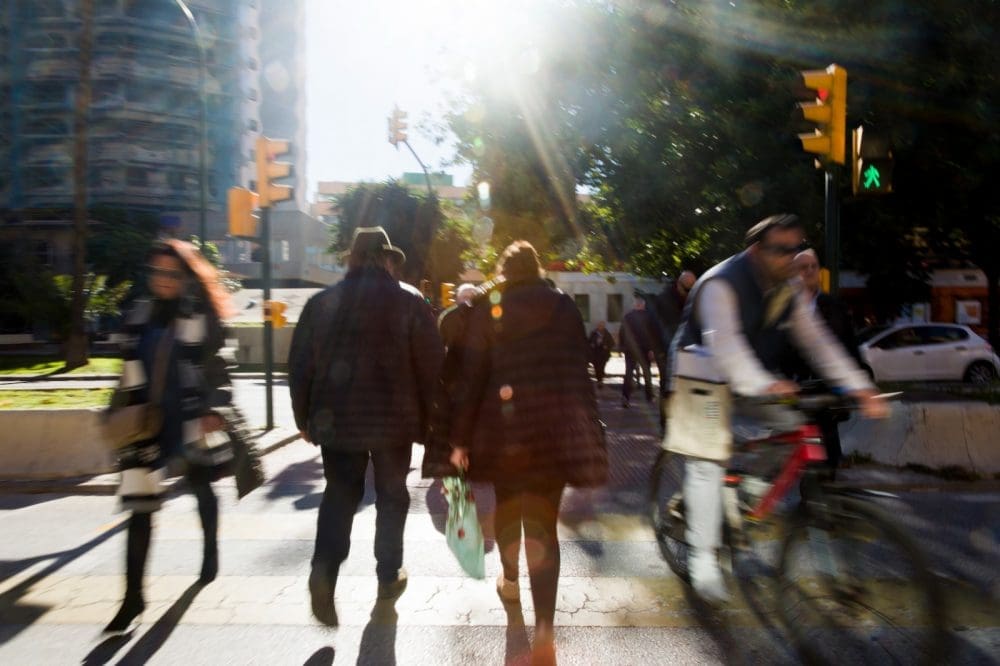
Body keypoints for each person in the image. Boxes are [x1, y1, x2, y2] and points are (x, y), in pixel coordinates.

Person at [669, 214, 888, 604]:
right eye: (781, 250)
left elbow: (817, 341)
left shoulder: (788, 288)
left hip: (749, 371)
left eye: (796, 247)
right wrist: (767, 384)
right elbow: (727, 348)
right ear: (756, 250)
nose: (791, 257)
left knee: (795, 426)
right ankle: (702, 559)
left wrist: (860, 387)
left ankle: (745, 494)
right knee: (706, 461)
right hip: (700, 369)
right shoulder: (723, 283)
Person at [448, 241, 607, 665]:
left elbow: (472, 377)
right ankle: (545, 634)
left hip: (503, 433)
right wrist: (587, 428)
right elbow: (580, 371)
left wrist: (460, 439)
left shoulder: (488, 305)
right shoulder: (564, 307)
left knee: (507, 509)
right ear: (537, 269)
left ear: (504, 270)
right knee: (544, 530)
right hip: (553, 434)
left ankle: (511, 579)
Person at [288, 226, 444, 627]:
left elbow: (300, 365)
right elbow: (431, 368)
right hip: (395, 422)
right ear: (387, 259)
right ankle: (388, 576)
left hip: (336, 422)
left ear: (352, 259)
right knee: (393, 496)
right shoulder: (410, 302)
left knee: (340, 495)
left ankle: (324, 570)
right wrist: (432, 424)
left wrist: (302, 418)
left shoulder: (322, 302)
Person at [104, 239, 236, 634]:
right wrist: (121, 413)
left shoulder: (201, 314)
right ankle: (132, 598)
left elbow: (220, 366)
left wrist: (217, 406)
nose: (163, 280)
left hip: (191, 418)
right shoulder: (138, 314)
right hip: (146, 424)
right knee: (139, 509)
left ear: (185, 276)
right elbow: (125, 369)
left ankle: (210, 550)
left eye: (171, 273)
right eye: (157, 272)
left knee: (201, 488)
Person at [785, 249, 863, 474]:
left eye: (813, 266)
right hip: (797, 386)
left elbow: (849, 344)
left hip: (827, 387)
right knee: (802, 448)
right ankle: (810, 494)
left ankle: (825, 489)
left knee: (828, 443)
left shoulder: (834, 305)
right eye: (803, 267)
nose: (809, 271)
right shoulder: (786, 307)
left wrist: (860, 379)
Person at [649, 270, 697, 430]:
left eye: (693, 289)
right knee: (667, 388)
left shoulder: (693, 298)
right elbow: (654, 329)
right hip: (665, 351)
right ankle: (666, 425)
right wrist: (657, 352)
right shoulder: (664, 301)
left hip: (687, 351)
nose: (690, 293)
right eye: (687, 290)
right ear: (678, 285)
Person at [619, 295, 663, 407]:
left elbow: (622, 333)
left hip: (630, 349)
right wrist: (652, 350)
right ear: (643, 305)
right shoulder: (648, 317)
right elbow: (653, 335)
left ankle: (625, 397)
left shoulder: (627, 316)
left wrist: (622, 347)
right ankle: (649, 396)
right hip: (644, 349)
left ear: (635, 305)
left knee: (628, 373)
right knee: (646, 373)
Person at [587, 321, 616, 387]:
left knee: (602, 367)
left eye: (602, 326)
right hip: (595, 353)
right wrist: (592, 344)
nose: (600, 327)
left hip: (603, 354)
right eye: (599, 325)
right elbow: (589, 342)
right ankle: (599, 379)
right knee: (596, 367)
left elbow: (612, 343)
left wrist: (606, 346)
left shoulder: (606, 334)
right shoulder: (593, 333)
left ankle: (600, 380)